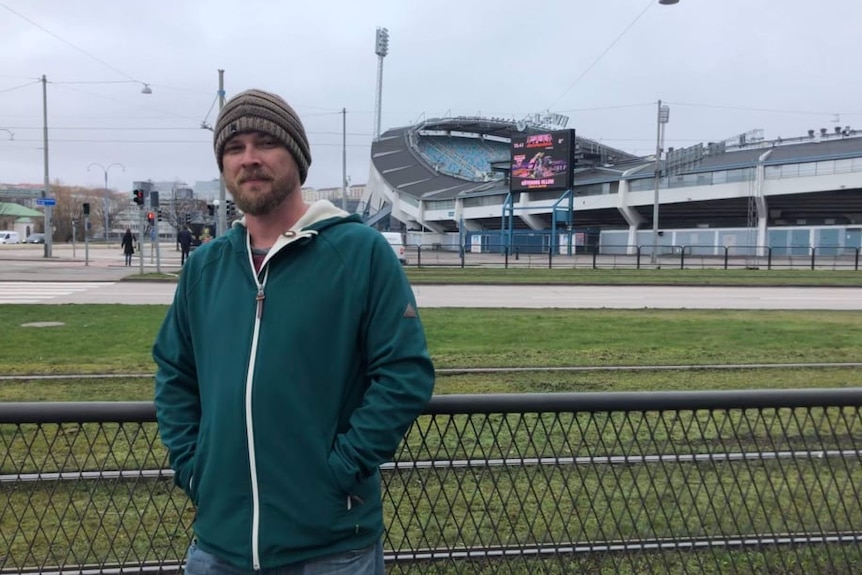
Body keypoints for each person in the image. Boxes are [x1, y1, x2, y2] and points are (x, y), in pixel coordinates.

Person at [153, 88, 435, 575]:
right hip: (218, 546)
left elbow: (404, 374)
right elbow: (175, 374)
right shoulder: (205, 267)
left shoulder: (360, 253)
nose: (249, 159)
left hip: (329, 547)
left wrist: (341, 471)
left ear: (298, 159)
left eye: (265, 143)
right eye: (234, 148)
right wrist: (194, 469)